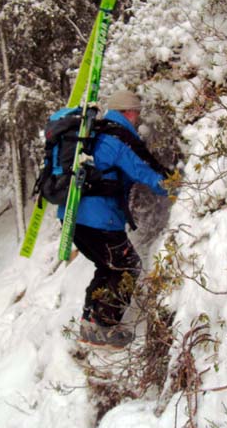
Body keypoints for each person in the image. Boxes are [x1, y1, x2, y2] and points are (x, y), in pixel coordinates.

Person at [58, 89, 168, 348]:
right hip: (100, 220)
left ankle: (90, 323)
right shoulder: (118, 139)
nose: (137, 119)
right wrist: (177, 186)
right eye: (136, 114)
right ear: (127, 112)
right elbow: (146, 172)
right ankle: (106, 327)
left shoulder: (94, 132)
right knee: (128, 267)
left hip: (72, 215)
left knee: (107, 267)